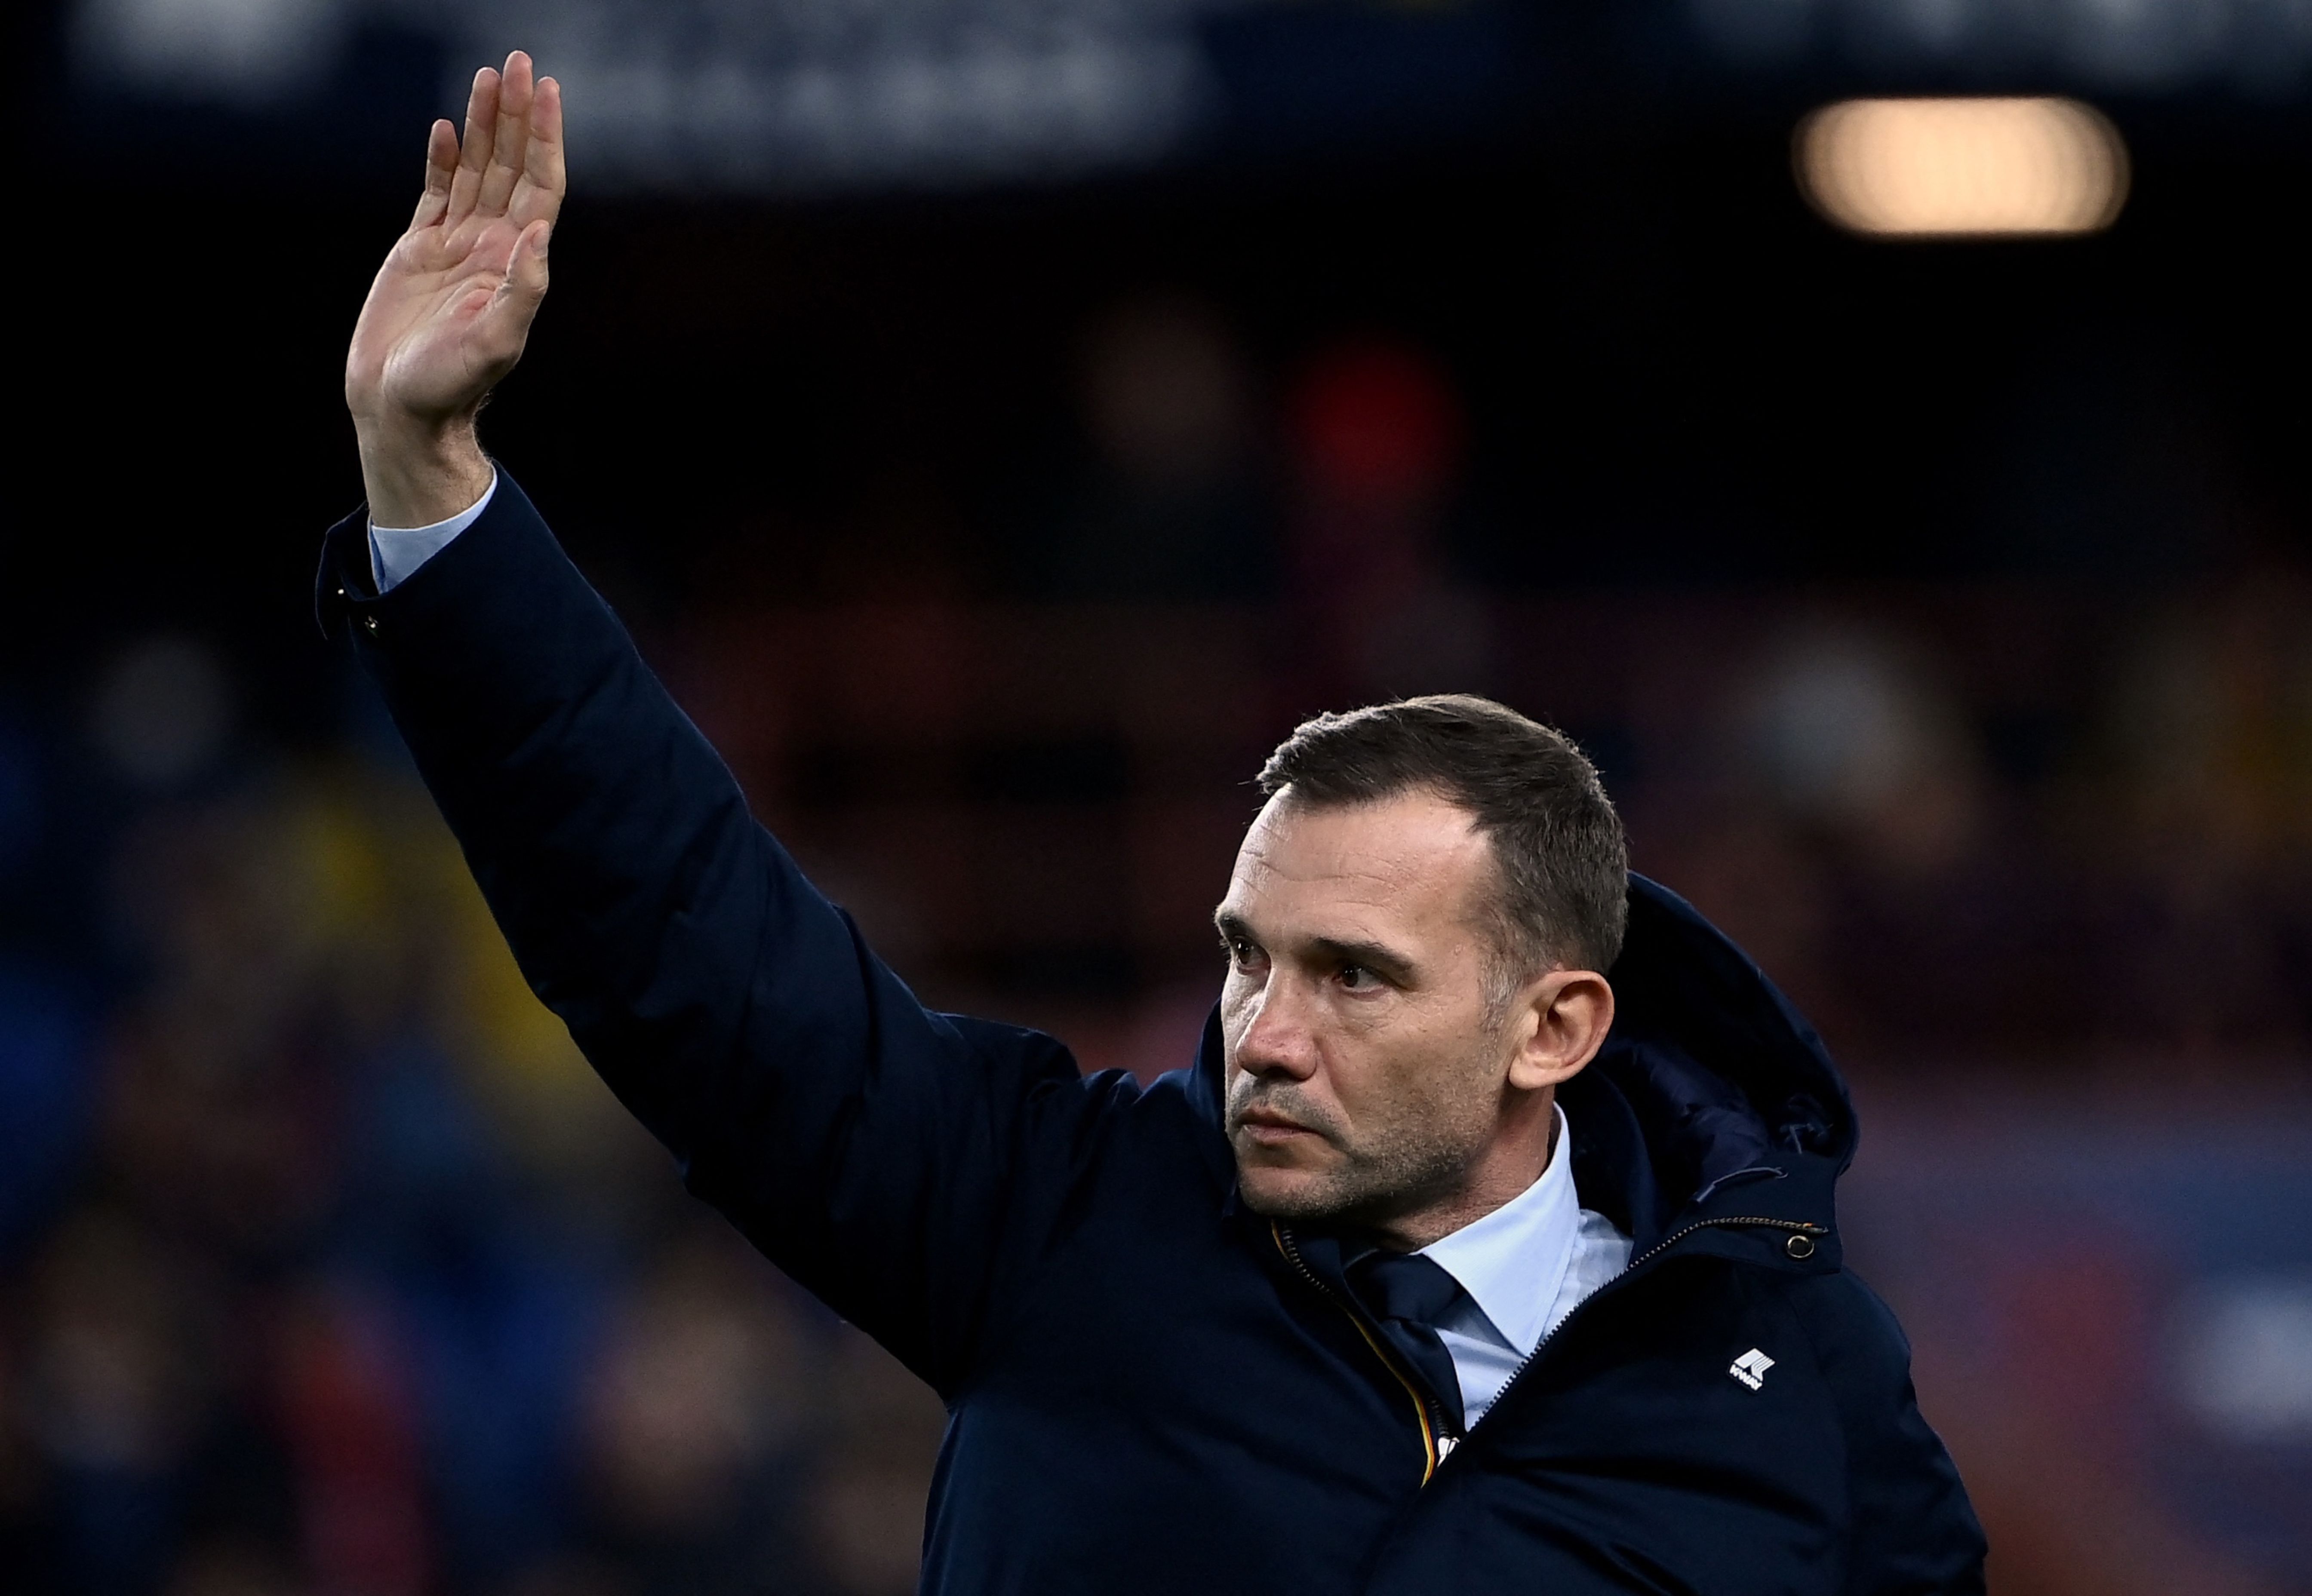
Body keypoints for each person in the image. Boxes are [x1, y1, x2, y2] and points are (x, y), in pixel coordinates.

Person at [326, 52, 1986, 1593]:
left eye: (1355, 977)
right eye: (1248, 958)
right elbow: (687, 933)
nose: (1263, 1033)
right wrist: (434, 487)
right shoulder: (1057, 1215)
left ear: (1550, 1025)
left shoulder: (1797, 1366)